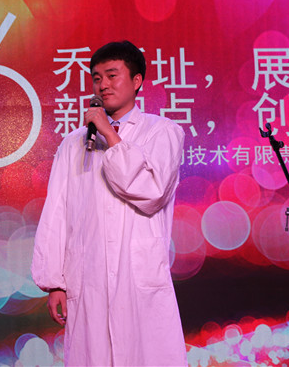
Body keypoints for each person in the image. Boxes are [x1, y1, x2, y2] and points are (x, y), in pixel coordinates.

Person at [31, 41, 187, 366]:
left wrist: (110, 135)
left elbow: (151, 190)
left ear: (137, 80)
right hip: (88, 277)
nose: (103, 85)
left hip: (137, 276)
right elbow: (57, 213)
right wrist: (55, 283)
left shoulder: (162, 132)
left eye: (112, 75)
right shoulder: (74, 143)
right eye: (97, 78)